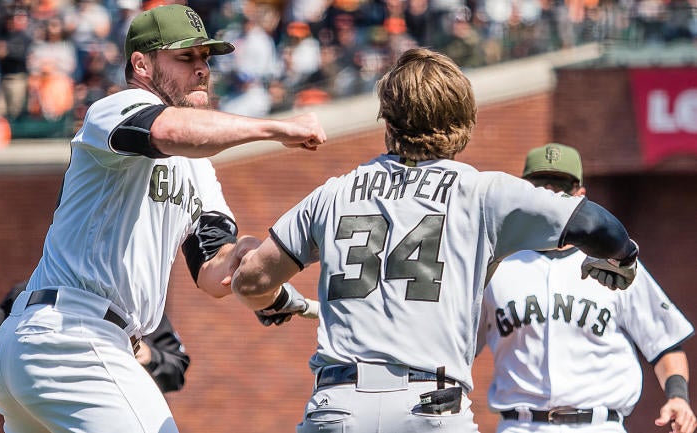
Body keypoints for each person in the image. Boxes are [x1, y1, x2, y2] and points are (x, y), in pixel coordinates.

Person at [229, 47, 640, 433]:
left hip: (339, 404)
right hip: (430, 404)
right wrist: (623, 260)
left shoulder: (334, 192)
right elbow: (598, 227)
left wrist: (278, 302)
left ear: (387, 121)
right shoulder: (483, 192)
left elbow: (250, 281)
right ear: (463, 122)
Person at [0, 4, 326, 433]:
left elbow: (211, 270)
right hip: (73, 335)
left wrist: (246, 256)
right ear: (141, 64)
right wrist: (278, 129)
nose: (202, 68)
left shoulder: (201, 168)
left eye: (206, 58)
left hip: (57, 341)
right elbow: (168, 131)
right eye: (186, 57)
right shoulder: (117, 108)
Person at [477, 143, 696, 433]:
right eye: (541, 187)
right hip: (519, 425)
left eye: (562, 188)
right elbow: (459, 346)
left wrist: (678, 397)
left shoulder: (615, 262)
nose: (551, 196)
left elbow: (665, 343)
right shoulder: (497, 266)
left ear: (580, 196)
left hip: (598, 425)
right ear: (523, 195)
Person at [0, 280, 190, 393]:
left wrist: (149, 356)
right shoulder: (30, 294)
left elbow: (177, 366)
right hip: (38, 415)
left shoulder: (138, 301)